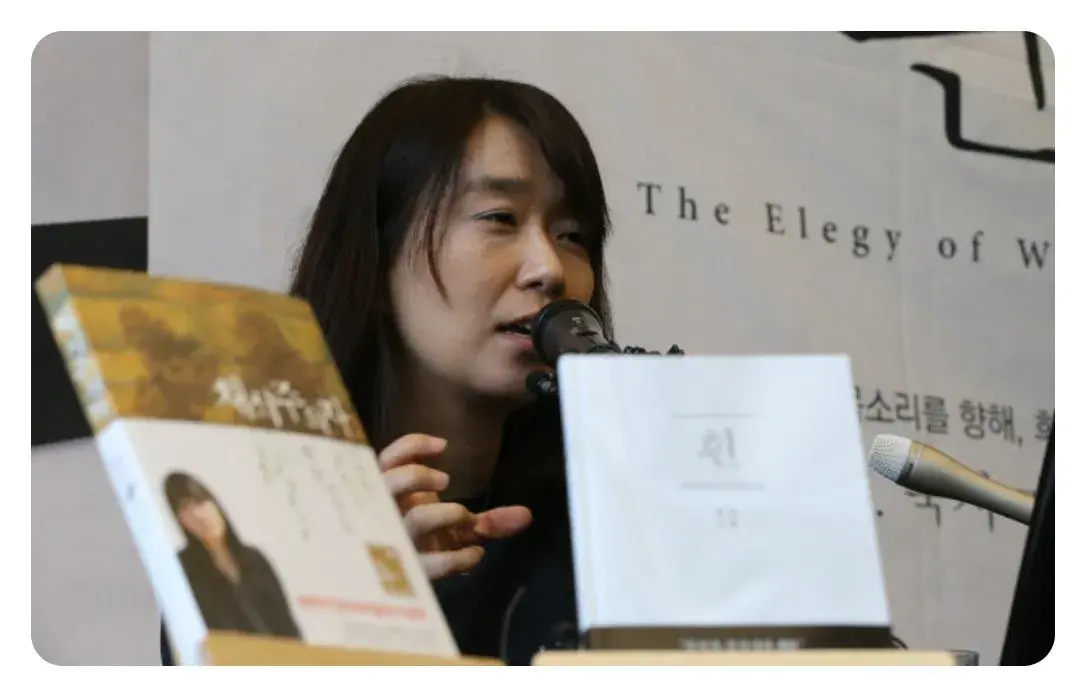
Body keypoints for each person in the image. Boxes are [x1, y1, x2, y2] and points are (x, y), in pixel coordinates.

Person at [160, 73, 614, 666]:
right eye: (500, 217)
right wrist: (356, 610)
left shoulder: (610, 508)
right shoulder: (250, 528)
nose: (549, 268)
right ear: (375, 264)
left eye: (572, 234)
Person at [163, 472, 301, 640]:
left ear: (215, 503)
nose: (198, 515)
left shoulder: (255, 560)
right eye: (185, 509)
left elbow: (287, 627)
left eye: (200, 502)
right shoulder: (183, 569)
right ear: (180, 521)